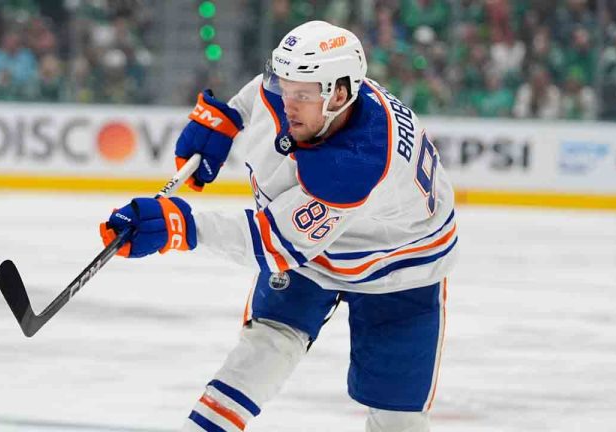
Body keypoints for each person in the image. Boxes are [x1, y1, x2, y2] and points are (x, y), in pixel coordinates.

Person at [100, 21, 458, 431]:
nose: (287, 103)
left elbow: (275, 245)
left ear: (340, 94)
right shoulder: (308, 92)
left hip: (402, 266)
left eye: (301, 95)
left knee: (398, 416)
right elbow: (262, 92)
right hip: (314, 245)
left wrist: (181, 226)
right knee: (265, 347)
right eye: (285, 86)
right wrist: (228, 116)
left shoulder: (357, 163)